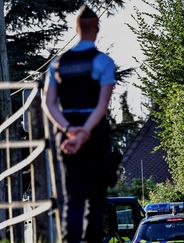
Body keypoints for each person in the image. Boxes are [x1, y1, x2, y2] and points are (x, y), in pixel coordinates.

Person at [42, 5, 116, 242]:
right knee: (95, 196)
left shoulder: (57, 64)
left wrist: (69, 130)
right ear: (96, 28)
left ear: (76, 28)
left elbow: (49, 103)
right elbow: (102, 105)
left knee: (72, 195)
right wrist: (85, 132)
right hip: (93, 130)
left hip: (67, 128)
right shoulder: (103, 62)